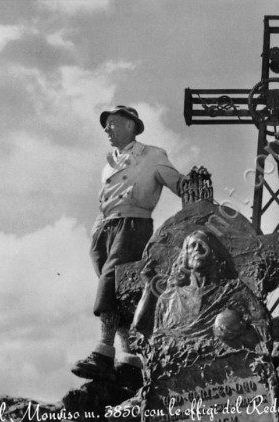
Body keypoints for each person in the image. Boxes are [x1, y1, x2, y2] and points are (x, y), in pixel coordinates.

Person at [71, 105, 186, 386]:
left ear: (131, 125)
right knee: (118, 290)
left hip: (133, 225)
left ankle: (103, 353)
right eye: (105, 125)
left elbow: (178, 183)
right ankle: (129, 360)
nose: (107, 130)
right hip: (106, 228)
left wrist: (194, 186)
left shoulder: (151, 155)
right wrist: (98, 232)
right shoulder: (109, 161)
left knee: (111, 283)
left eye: (112, 123)